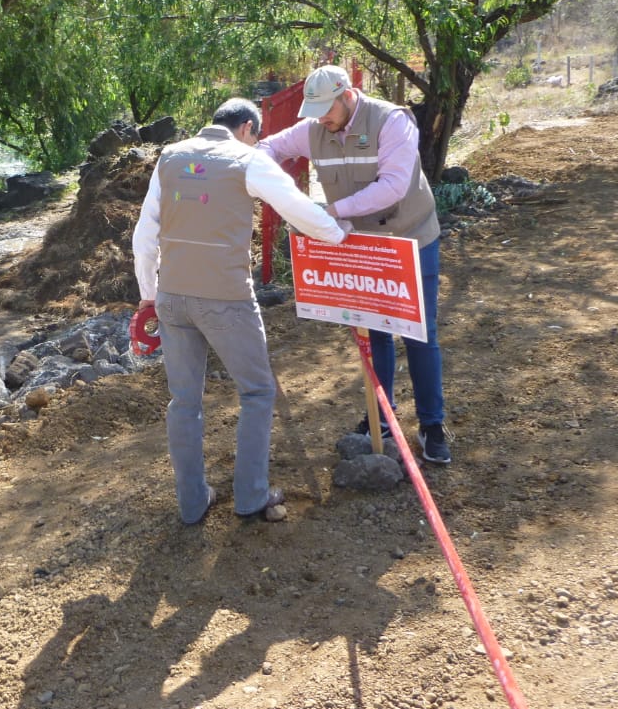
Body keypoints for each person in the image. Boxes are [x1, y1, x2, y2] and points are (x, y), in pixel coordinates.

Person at [132, 97, 349, 524]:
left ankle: (192, 503)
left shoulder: (170, 157)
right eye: (258, 134)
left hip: (173, 297)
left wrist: (149, 294)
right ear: (248, 128)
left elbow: (145, 233)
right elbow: (298, 209)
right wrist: (339, 237)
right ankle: (250, 496)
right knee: (256, 391)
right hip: (226, 299)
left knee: (184, 402)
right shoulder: (245, 160)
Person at [258, 64, 452, 464]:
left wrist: (330, 212)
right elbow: (267, 150)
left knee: (419, 333)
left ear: (347, 95)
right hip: (360, 245)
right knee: (374, 333)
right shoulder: (315, 128)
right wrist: (275, 189)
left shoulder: (390, 122)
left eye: (326, 109)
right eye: (314, 112)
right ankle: (381, 419)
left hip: (410, 239)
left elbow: (395, 184)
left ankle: (432, 426)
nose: (321, 120)